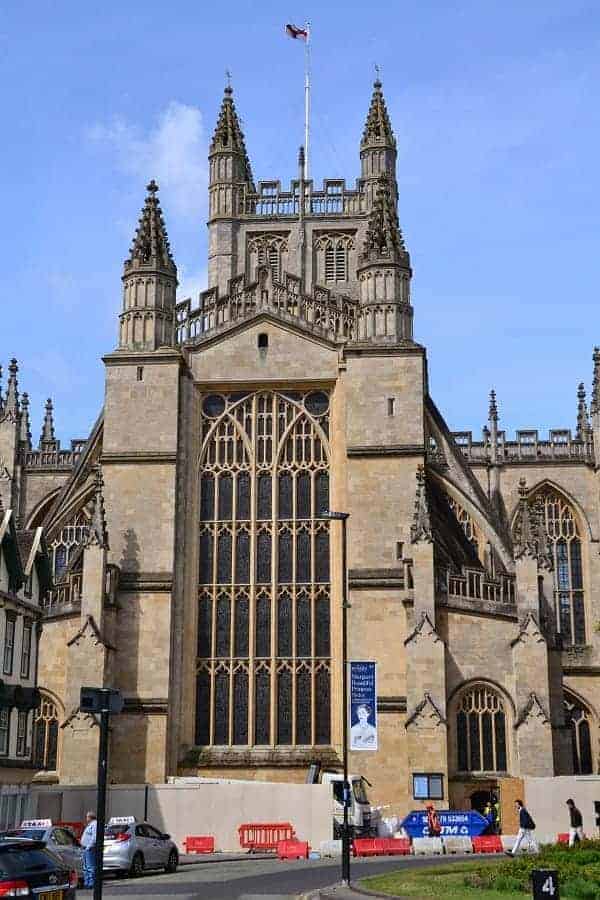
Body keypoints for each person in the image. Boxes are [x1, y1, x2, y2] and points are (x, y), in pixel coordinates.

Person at [80, 811, 98, 889]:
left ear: (90, 817)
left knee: (90, 867)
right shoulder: (90, 825)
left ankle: (91, 883)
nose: (86, 818)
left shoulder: (95, 824)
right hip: (85, 848)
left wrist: (89, 847)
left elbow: (94, 837)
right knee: (85, 867)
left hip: (89, 849)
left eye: (87, 817)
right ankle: (86, 882)